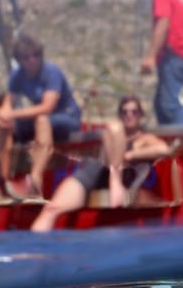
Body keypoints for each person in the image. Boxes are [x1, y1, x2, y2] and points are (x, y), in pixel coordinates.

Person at [31, 95, 170, 232]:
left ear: (141, 115)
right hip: (95, 171)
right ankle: (32, 252)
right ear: (120, 114)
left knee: (114, 129)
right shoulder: (113, 132)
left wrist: (130, 155)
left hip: (124, 179)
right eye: (125, 111)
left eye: (134, 111)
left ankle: (115, 179)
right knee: (51, 209)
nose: (129, 115)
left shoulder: (144, 139)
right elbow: (111, 132)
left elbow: (164, 149)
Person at [0, 30, 81, 201]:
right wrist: (3, 115)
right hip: (42, 120)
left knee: (42, 120)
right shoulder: (17, 76)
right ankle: (3, 177)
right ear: (19, 60)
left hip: (66, 119)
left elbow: (47, 106)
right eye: (27, 57)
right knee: (5, 124)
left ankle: (35, 180)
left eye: (36, 55)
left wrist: (12, 113)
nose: (32, 60)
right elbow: (9, 103)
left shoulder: (52, 72)